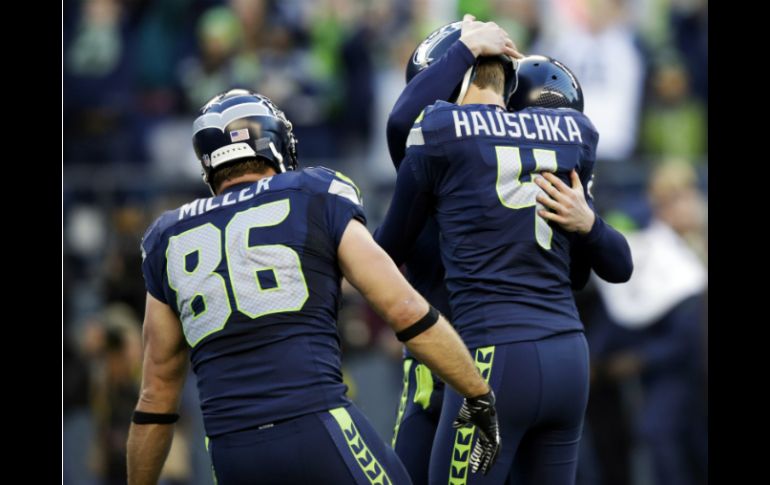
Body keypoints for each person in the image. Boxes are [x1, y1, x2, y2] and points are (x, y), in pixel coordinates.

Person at [126, 89, 502, 485]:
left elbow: (155, 397)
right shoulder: (315, 193)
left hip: (230, 450)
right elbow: (405, 309)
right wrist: (478, 393)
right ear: (273, 143)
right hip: (315, 425)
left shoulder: (167, 236)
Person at [376, 39, 633, 483]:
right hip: (557, 352)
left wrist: (464, 50)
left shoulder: (443, 136)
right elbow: (596, 271)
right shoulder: (568, 139)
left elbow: (404, 122)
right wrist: (588, 224)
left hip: (484, 357)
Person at [386, 17, 520, 485]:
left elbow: (403, 120)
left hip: (462, 362)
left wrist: (463, 51)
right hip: (497, 358)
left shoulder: (440, 146)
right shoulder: (449, 151)